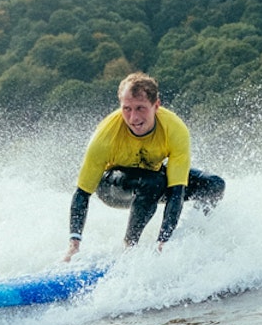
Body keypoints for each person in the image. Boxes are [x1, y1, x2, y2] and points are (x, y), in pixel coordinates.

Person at [64, 72, 224, 261]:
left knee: (214, 184)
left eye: (140, 108)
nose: (133, 118)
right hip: (112, 187)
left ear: (156, 105)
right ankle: (128, 249)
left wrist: (165, 240)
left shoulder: (174, 129)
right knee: (151, 182)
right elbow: (82, 193)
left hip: (152, 183)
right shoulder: (105, 135)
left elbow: (177, 190)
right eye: (127, 109)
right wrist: (74, 245)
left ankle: (192, 235)